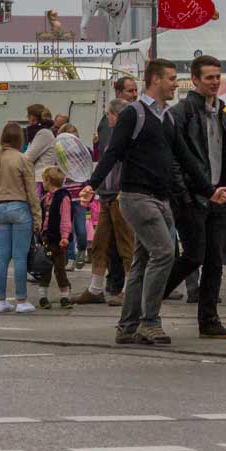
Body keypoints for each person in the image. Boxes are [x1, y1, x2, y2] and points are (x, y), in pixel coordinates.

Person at [81, 59, 185, 344]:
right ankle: (149, 321)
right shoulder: (134, 115)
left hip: (161, 198)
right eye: (172, 78)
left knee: (141, 261)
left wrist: (205, 188)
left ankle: (127, 326)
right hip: (138, 197)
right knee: (164, 253)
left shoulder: (168, 117)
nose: (176, 83)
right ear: (155, 80)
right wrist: (92, 184)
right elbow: (112, 153)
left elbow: (181, 157)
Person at [170, 54, 226, 339]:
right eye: (209, 77)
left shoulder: (220, 110)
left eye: (217, 77)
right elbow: (176, 159)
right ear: (195, 80)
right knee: (194, 255)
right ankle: (147, 300)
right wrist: (185, 194)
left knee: (214, 260)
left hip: (218, 195)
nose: (214, 82)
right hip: (194, 196)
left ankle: (209, 320)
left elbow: (225, 153)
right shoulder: (183, 112)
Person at [74, 98, 136, 306]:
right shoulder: (113, 135)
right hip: (107, 196)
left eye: (109, 114)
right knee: (100, 243)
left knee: (126, 244)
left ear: (116, 115)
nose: (107, 118)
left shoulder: (126, 137)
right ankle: (95, 288)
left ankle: (130, 289)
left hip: (119, 195)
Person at [0, 121, 41, 313]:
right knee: (19, 256)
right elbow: (31, 191)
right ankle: (21, 300)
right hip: (19, 207)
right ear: (19, 139)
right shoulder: (22, 159)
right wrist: (37, 217)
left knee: (2, 256)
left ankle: (1, 300)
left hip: (0, 208)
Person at [53, 123, 95, 266]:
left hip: (80, 195)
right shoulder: (59, 155)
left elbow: (91, 164)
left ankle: (82, 248)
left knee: (81, 228)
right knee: (67, 227)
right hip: (66, 195)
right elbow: (56, 173)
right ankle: (70, 257)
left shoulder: (84, 152)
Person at [38, 166, 75, 309]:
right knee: (45, 267)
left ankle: (65, 296)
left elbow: (66, 218)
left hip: (59, 239)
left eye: (44, 180)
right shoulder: (45, 199)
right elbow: (42, 219)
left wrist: (65, 236)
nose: (43, 183)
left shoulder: (63, 197)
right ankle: (42, 296)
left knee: (60, 268)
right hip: (46, 238)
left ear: (48, 181)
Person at [24, 105, 57, 187]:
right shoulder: (38, 134)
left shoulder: (44, 133)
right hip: (37, 178)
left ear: (32, 118)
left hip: (40, 180)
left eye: (28, 116)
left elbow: (28, 157)